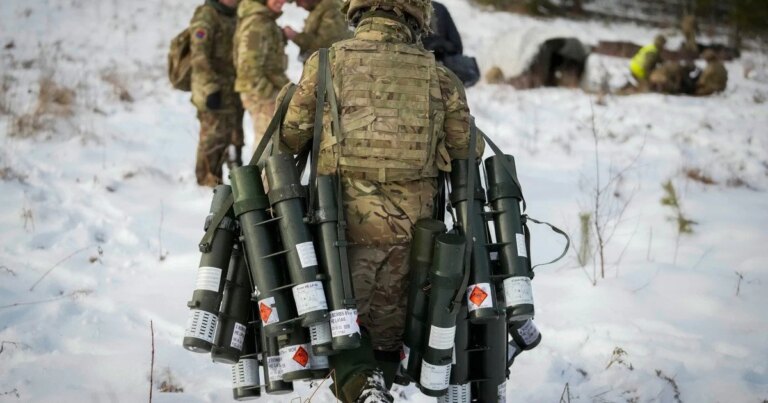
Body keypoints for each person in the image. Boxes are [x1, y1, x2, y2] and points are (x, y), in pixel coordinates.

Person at [275, 0, 484, 399]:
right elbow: (466, 152)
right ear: (416, 16)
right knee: (390, 333)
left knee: (342, 323)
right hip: (413, 236)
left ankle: (362, 386)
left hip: (339, 228)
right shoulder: (439, 76)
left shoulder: (326, 63)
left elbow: (289, 138)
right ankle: (376, 386)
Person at [189, 0, 244, 187]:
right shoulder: (207, 16)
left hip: (232, 89)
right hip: (212, 90)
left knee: (234, 137)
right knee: (213, 139)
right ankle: (207, 183)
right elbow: (199, 56)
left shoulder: (234, 14)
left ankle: (234, 184)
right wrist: (210, 88)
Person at [234, 0, 290, 145]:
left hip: (267, 91)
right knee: (268, 147)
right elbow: (248, 68)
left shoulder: (266, 21)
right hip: (260, 94)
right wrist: (271, 96)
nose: (282, 1)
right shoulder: (257, 24)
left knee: (273, 145)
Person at [421, 1, 480, 86]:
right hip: (440, 70)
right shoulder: (439, 8)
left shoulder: (438, 9)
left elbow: (457, 46)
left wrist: (438, 45)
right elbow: (458, 46)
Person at [282, 0, 351, 62]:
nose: (297, 5)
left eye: (298, 1)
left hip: (331, 67)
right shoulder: (319, 8)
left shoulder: (331, 7)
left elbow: (327, 45)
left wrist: (296, 36)